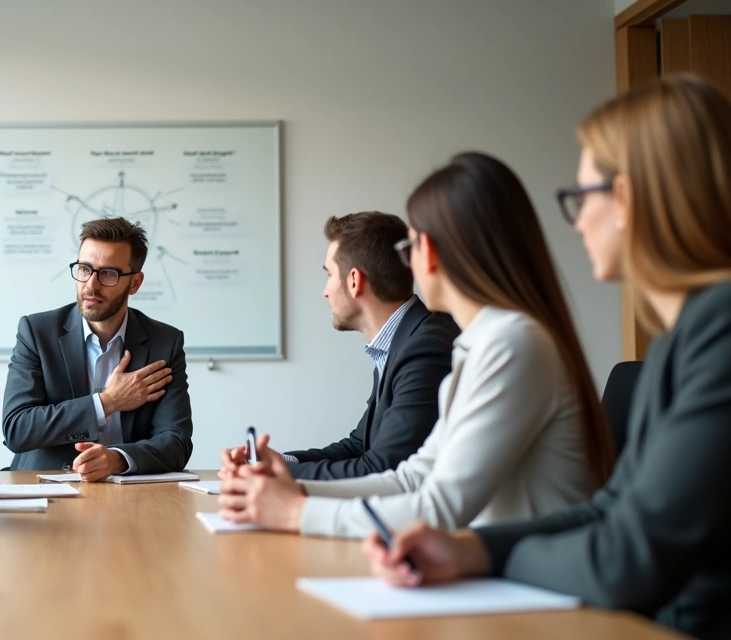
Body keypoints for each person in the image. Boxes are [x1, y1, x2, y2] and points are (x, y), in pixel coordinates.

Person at [363, 75, 731, 640]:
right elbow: (608, 509)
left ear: (627, 200)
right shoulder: (685, 340)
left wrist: (483, 557)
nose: (577, 220)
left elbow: (625, 558)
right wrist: (469, 548)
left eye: (583, 197)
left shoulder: (720, 332)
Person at [218, 152, 615, 538]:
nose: (409, 263)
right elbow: (411, 478)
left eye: (412, 247)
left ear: (436, 253)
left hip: (534, 592)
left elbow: (441, 505)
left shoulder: (511, 342)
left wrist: (296, 511)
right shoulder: (480, 343)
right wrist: (291, 492)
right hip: (500, 575)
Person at [219, 212, 457, 480]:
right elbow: (358, 447)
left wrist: (273, 473)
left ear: (354, 281)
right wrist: (277, 461)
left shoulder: (424, 349)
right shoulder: (401, 341)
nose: (325, 291)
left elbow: (382, 468)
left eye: (329, 275)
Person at [2, 217, 193, 479]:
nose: (91, 284)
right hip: (44, 486)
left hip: (129, 492)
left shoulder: (165, 342)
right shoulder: (37, 332)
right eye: (84, 269)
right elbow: (17, 429)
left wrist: (117, 460)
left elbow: (177, 442)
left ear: (135, 283)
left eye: (108, 274)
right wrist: (107, 402)